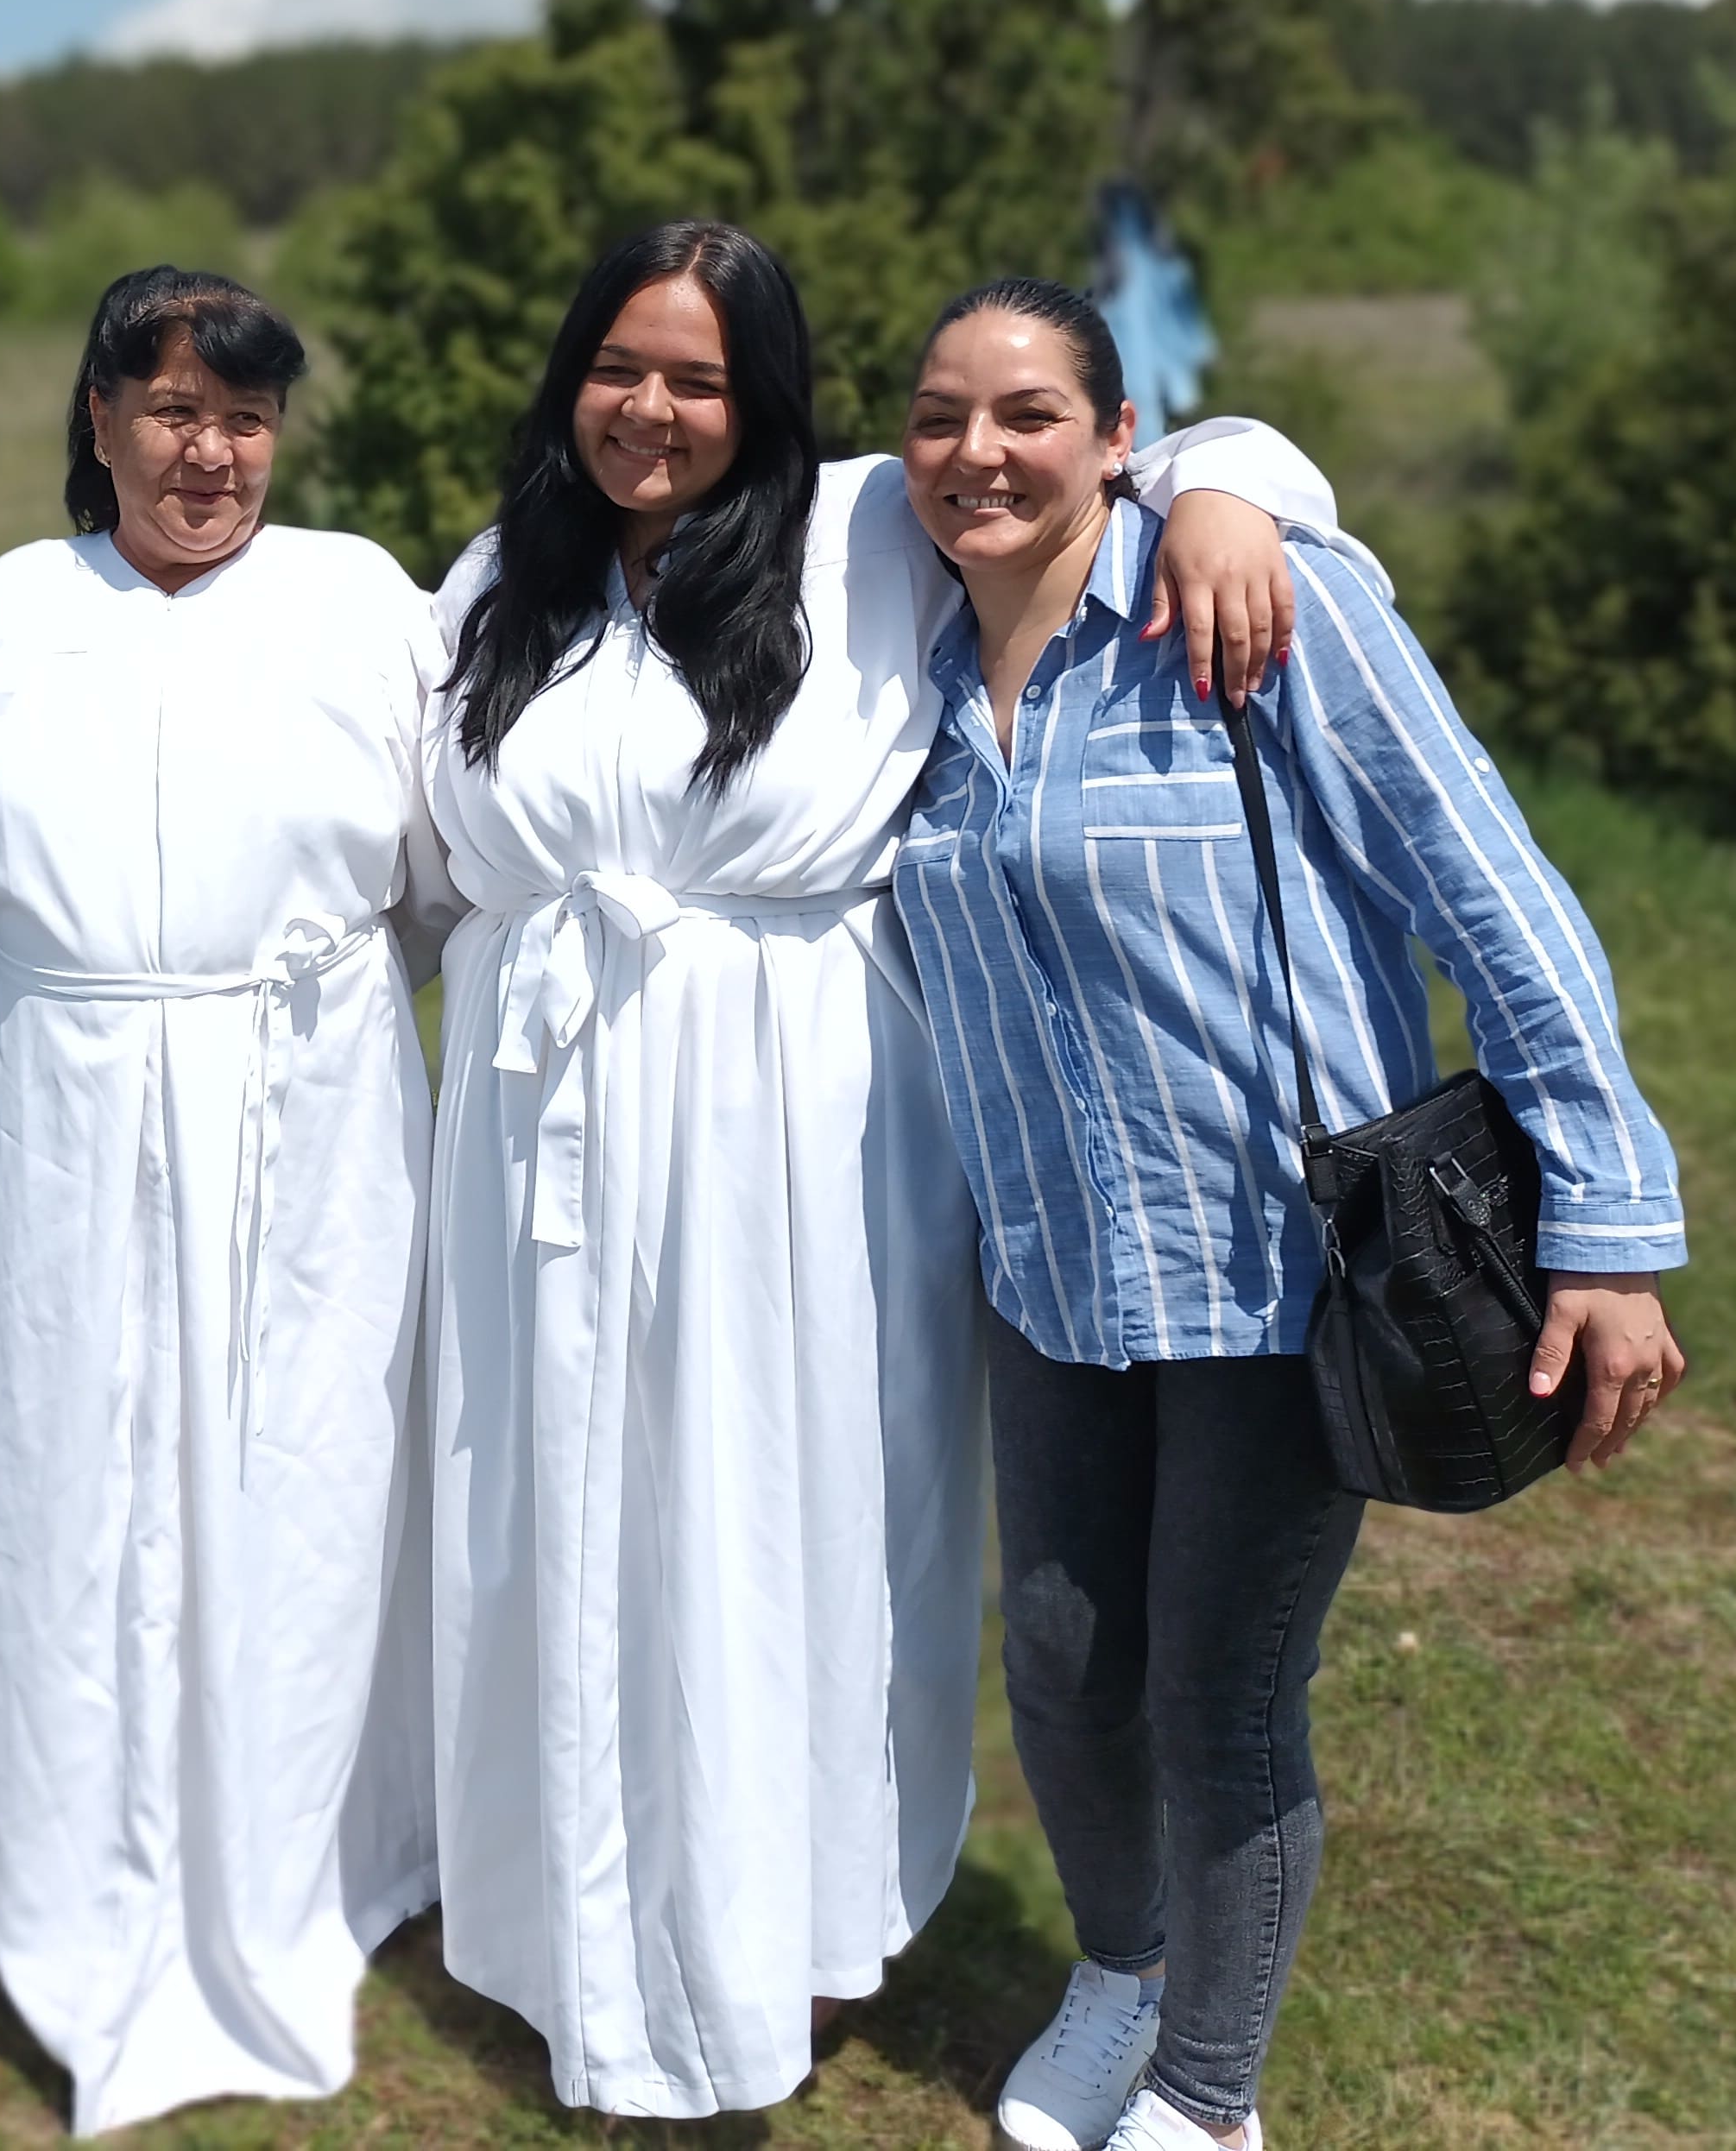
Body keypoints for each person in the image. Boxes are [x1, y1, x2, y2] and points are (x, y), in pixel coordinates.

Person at [421, 222, 1345, 2123]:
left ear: (763, 393)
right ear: (565, 374)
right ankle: (572, 1930)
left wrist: (1230, 485)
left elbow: (1092, 456)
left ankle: (786, 1929)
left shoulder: (864, 528)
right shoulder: (492, 578)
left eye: (696, 375)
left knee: (785, 1524)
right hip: (543, 1139)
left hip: (793, 1129)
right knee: (557, 1519)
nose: (649, 408)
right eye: (617, 364)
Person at [889, 277, 1688, 2151]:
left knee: (1219, 1696)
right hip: (1046, 1272)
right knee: (1066, 1674)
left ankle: (1206, 2092)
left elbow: (1485, 886)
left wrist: (1607, 1216)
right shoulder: (903, 666)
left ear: (1111, 437)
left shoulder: (1243, 605)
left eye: (1024, 415)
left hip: (1273, 1270)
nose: (975, 452)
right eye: (938, 415)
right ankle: (1119, 1972)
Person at [0, 266, 457, 2135]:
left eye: (238, 417)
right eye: (164, 410)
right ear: (97, 421)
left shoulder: (360, 600)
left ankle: (301, 1860)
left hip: (306, 1099)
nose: (204, 452)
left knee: (302, 1473)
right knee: (83, 1485)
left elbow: (455, 855)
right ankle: (90, 1887)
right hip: (63, 1099)